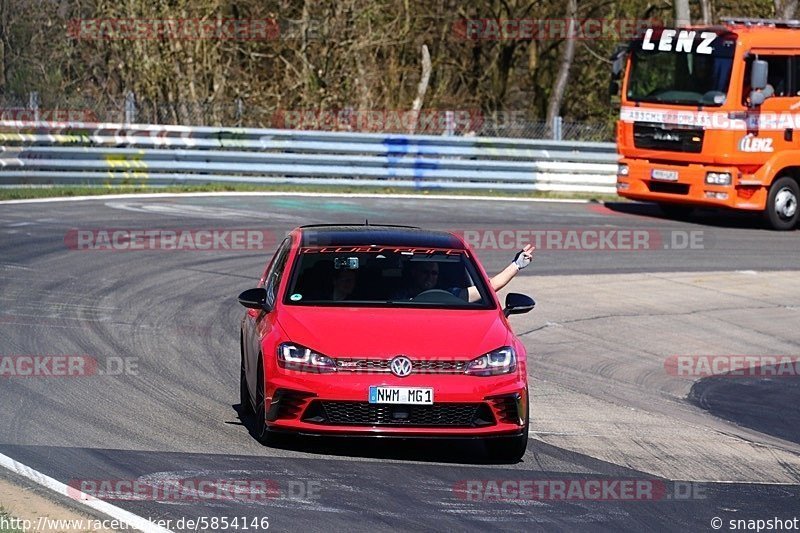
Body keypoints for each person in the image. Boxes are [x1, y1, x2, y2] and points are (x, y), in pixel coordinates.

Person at [396, 244, 535, 303]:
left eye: (434, 273)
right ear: (414, 273)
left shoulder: (452, 296)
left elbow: (491, 286)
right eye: (425, 272)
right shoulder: (396, 297)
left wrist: (516, 265)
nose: (430, 277)